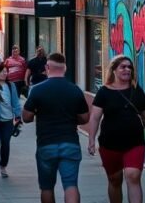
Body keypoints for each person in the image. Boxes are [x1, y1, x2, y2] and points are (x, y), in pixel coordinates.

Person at [88, 55, 145, 203]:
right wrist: (91, 140)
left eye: (129, 67)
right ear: (114, 70)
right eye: (123, 67)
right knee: (114, 179)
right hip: (109, 143)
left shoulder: (136, 91)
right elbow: (95, 117)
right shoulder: (104, 92)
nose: (127, 69)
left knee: (133, 175)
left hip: (134, 143)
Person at [22, 52, 90, 203]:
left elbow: (26, 117)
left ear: (47, 67)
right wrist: (71, 118)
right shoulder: (75, 90)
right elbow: (85, 118)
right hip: (70, 142)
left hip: (46, 143)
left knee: (47, 187)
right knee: (71, 185)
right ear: (64, 68)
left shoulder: (37, 90)